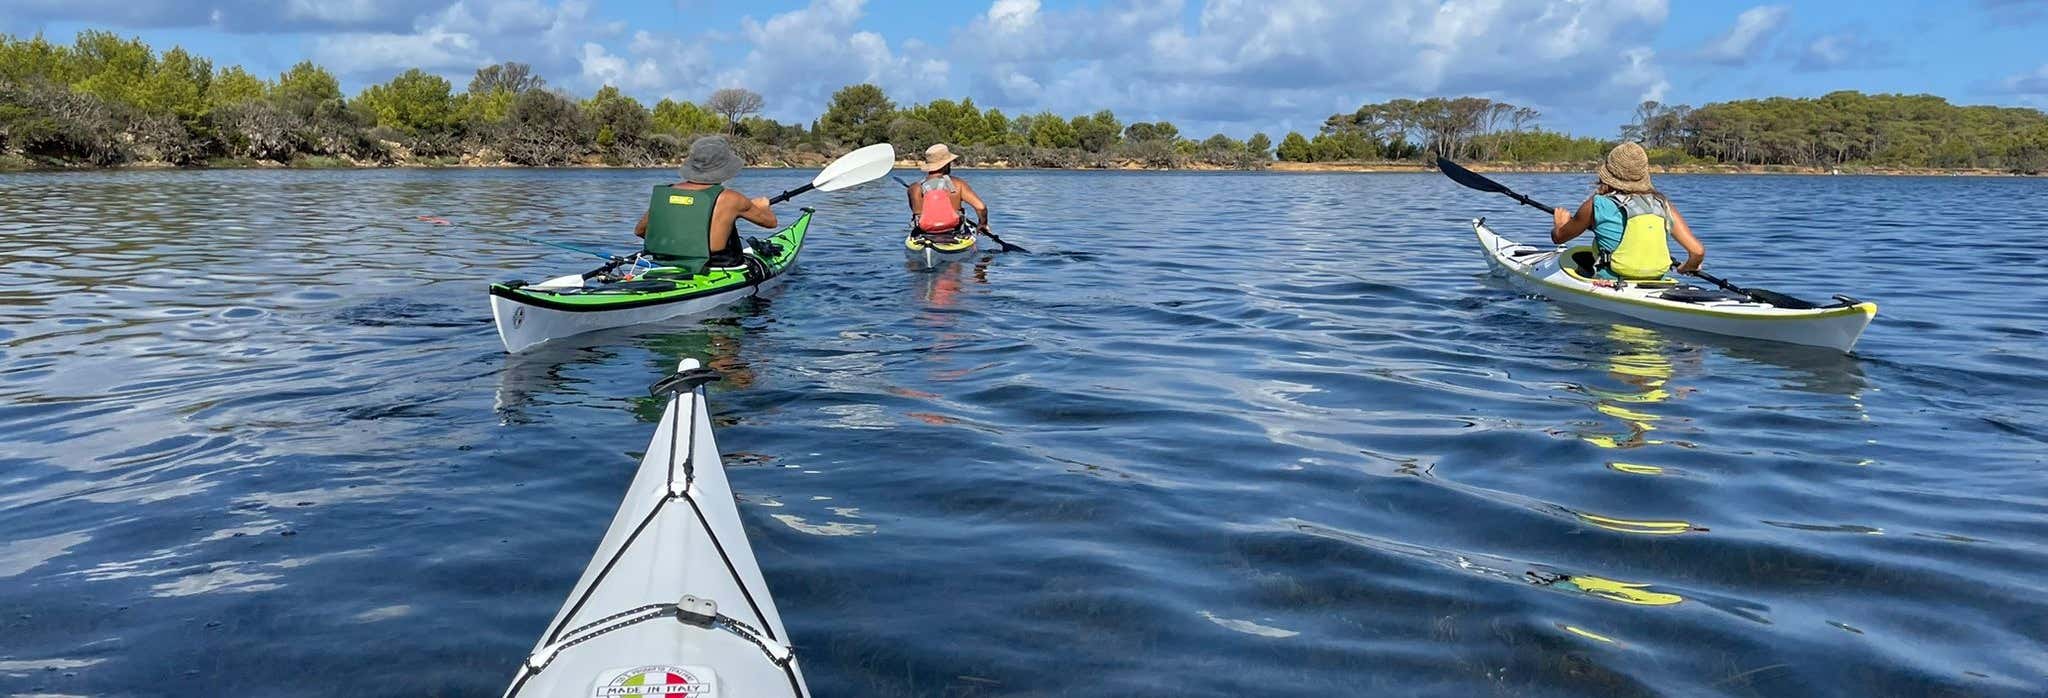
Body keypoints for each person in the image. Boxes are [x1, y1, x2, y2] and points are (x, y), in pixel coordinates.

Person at [1550, 142, 1704, 280]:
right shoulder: (1662, 204)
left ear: (1609, 174)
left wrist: (1560, 224)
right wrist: (1687, 267)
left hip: (1611, 281)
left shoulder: (1596, 204)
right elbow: (1697, 252)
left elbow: (1559, 238)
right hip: (1657, 282)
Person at [635, 136, 777, 269]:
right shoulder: (732, 198)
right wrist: (763, 206)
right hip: (717, 264)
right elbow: (771, 223)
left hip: (665, 262)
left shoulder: (667, 193)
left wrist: (679, 244)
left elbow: (640, 231)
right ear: (724, 168)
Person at [906, 143, 988, 238]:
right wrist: (982, 224)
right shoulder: (958, 184)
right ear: (946, 164)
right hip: (955, 232)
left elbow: (917, 213)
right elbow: (981, 207)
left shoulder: (914, 188)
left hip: (924, 234)